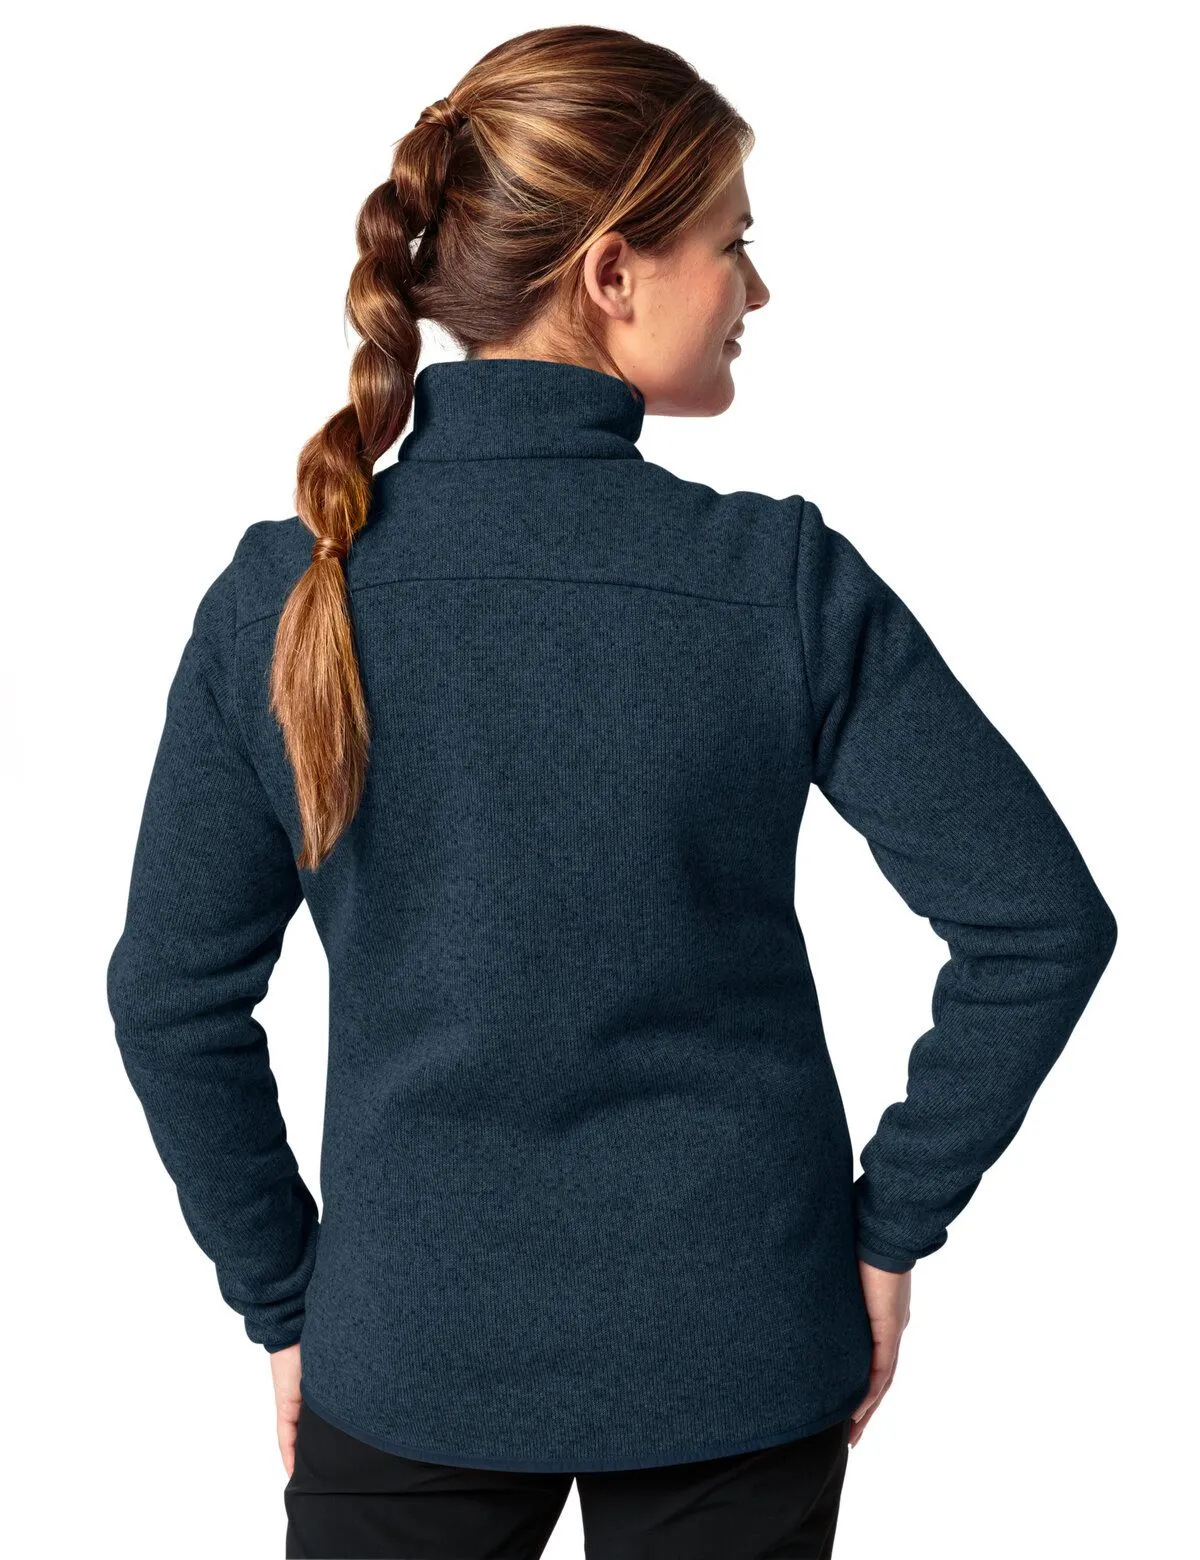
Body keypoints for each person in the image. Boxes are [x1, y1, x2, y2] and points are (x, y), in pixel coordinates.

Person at [105, 24, 1118, 1560]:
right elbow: (1042, 924)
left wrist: (291, 1302)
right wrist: (889, 1228)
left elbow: (168, 998)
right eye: (735, 245)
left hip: (409, 1353)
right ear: (613, 271)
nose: (757, 292)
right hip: (742, 1341)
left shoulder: (289, 593)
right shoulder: (775, 583)